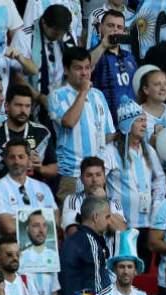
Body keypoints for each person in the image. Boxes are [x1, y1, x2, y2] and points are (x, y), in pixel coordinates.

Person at [48, 48, 115, 198]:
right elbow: (69, 122)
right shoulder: (57, 95)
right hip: (71, 173)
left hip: (96, 175)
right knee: (71, 219)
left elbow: (108, 134)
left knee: (97, 218)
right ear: (66, 70)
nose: (84, 73)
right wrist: (83, 92)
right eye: (78, 68)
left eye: (87, 68)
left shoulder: (98, 95)